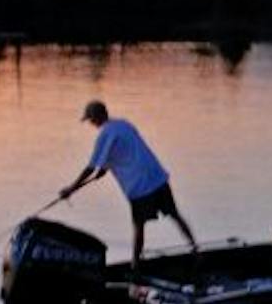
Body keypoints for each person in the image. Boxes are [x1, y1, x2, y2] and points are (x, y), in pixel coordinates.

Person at [60, 100, 195, 267]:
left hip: (139, 185)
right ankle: (195, 249)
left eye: (90, 119)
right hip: (157, 177)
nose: (90, 123)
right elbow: (116, 156)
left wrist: (71, 189)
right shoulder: (123, 124)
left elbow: (92, 167)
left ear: (96, 117)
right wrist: (104, 169)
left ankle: (135, 265)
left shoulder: (105, 134)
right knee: (175, 215)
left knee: (139, 226)